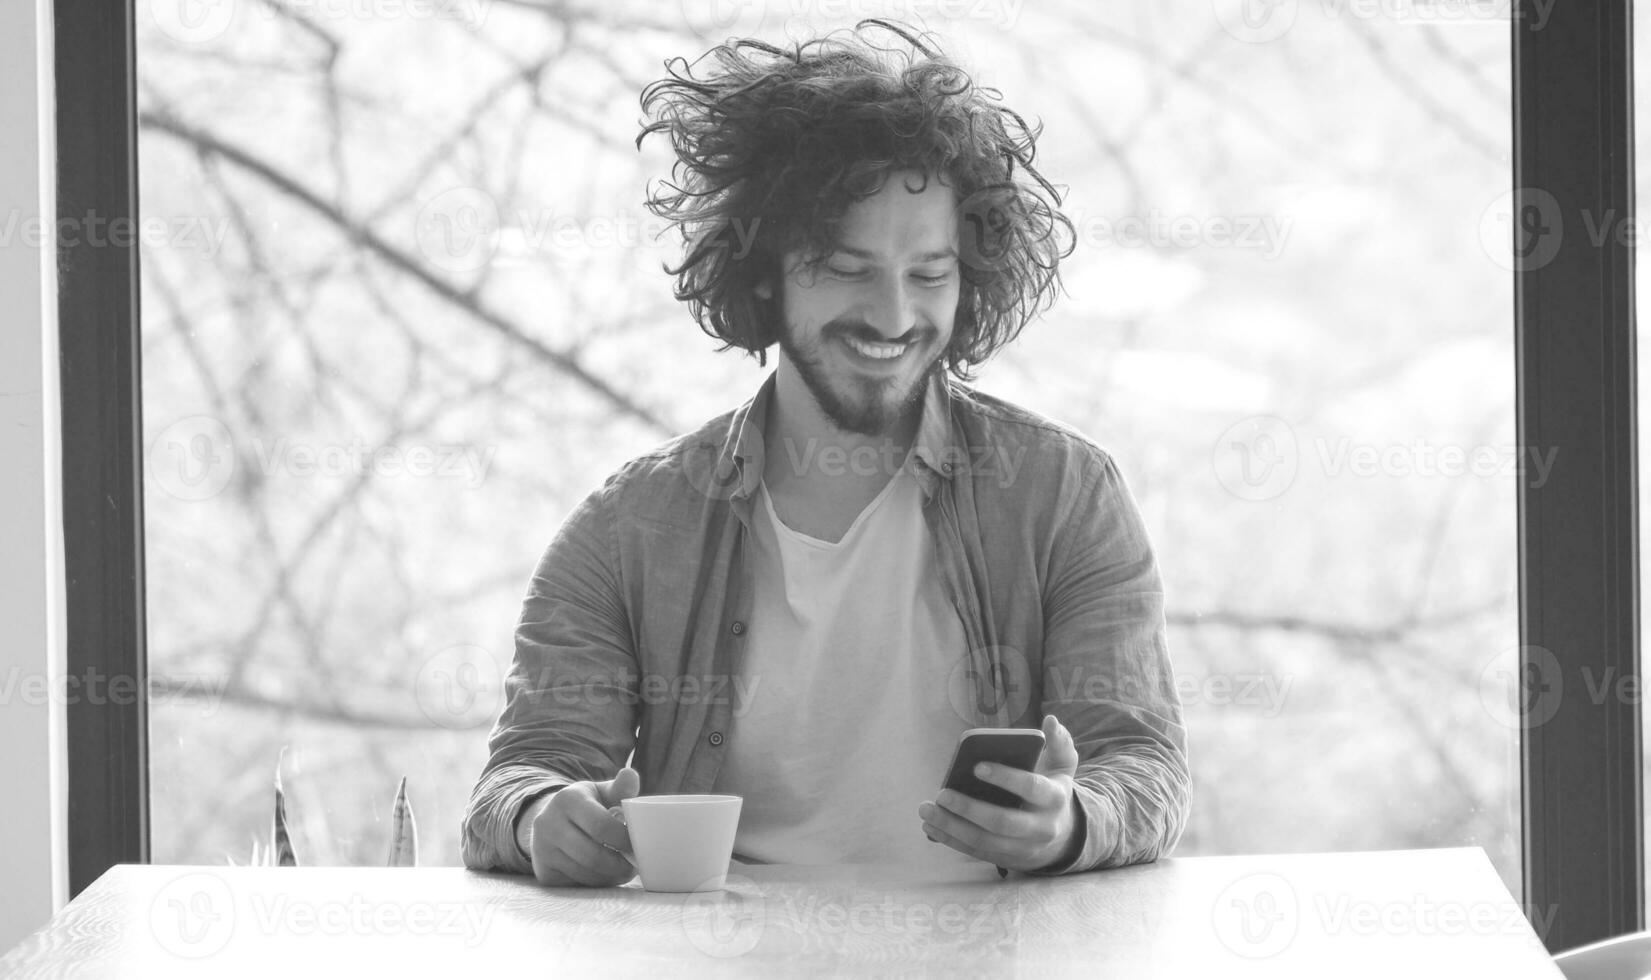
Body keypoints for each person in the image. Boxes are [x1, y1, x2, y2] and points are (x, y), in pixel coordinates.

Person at [462, 19, 1189, 886]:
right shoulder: (628, 528)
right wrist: (543, 816)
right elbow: (518, 775)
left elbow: (1142, 764)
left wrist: (1071, 823)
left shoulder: (1061, 493)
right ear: (766, 269)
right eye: (847, 268)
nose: (892, 317)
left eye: (928, 274)